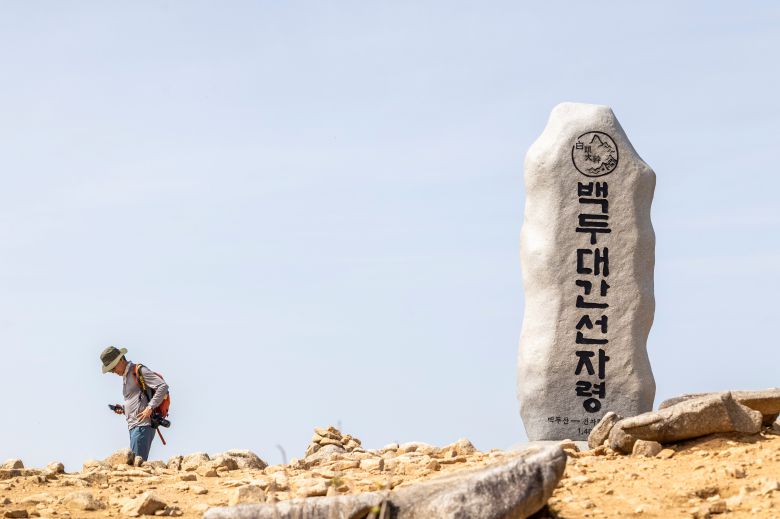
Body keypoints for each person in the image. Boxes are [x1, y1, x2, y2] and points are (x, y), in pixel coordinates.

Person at [100, 346, 169, 461]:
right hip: (134, 426)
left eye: (113, 368)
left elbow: (162, 386)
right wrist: (124, 409)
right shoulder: (126, 376)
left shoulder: (138, 370)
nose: (113, 372)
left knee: (136, 466)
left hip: (142, 426)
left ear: (121, 359)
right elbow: (138, 399)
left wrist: (150, 408)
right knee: (135, 464)